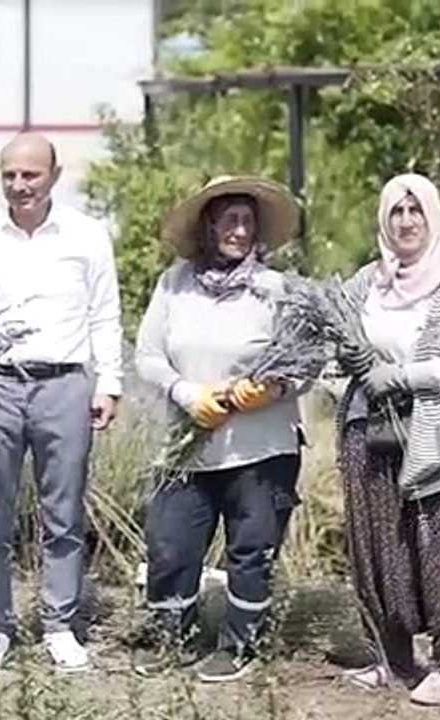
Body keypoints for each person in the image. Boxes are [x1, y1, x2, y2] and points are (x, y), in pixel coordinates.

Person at [0, 132, 124, 678]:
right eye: (9, 176)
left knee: (63, 515)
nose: (19, 186)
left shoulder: (87, 236)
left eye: (30, 175)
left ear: (54, 176)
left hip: (64, 385)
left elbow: (104, 314)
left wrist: (108, 383)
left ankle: (59, 626)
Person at [131, 176, 307, 682]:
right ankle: (172, 636)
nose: (239, 230)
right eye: (228, 219)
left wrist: (271, 389)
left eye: (247, 220)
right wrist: (187, 393)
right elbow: (147, 356)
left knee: (251, 550)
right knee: (171, 544)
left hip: (262, 448)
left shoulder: (278, 289)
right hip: (187, 447)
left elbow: (306, 361)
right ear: (207, 226)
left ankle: (240, 644)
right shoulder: (174, 284)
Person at [333, 173, 440, 707]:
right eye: (396, 212)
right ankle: (393, 659)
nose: (405, 221)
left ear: (434, 216)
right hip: (373, 430)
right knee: (380, 546)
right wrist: (349, 374)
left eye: (416, 211)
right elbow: (338, 350)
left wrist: (403, 376)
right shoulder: (366, 284)